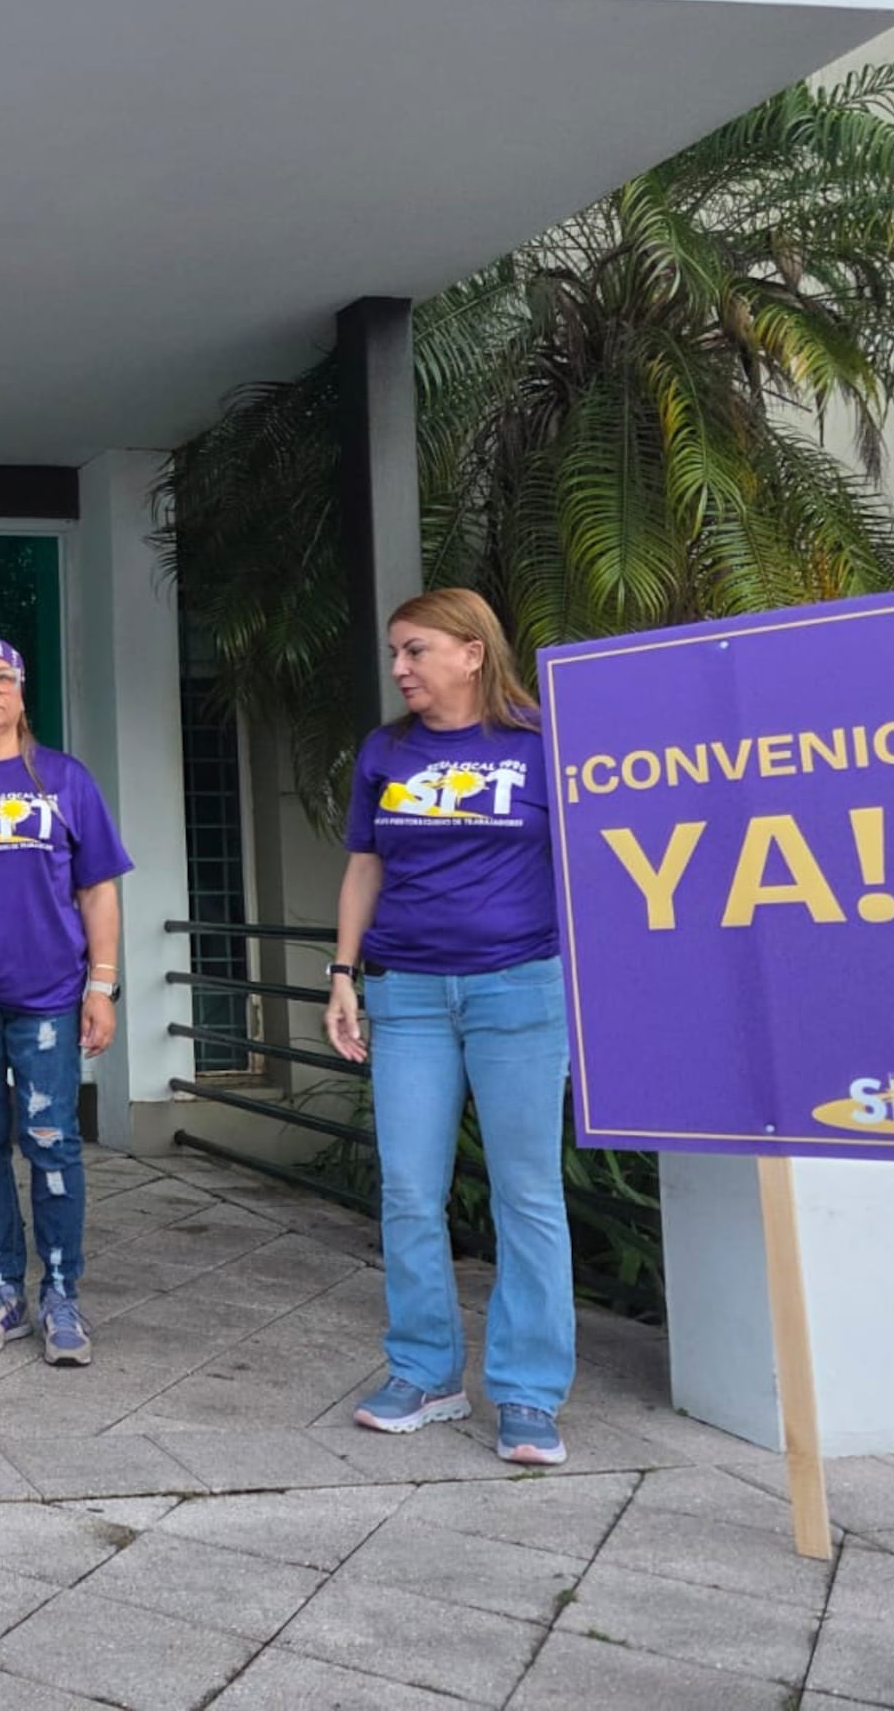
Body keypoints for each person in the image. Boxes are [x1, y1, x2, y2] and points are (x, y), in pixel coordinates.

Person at [325, 587, 572, 1466]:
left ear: (473, 651)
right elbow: (365, 866)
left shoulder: (546, 740)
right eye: (396, 652)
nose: (400, 668)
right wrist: (343, 974)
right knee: (407, 1189)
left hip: (520, 993)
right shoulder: (386, 750)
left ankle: (529, 1393)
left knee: (528, 1194)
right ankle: (427, 1374)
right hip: (411, 996)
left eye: (416, 650)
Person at [0, 639, 129, 1367]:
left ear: (21, 692)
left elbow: (98, 887)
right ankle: (0, 1290)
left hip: (50, 990)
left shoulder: (65, 779)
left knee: (52, 1144)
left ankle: (62, 1295)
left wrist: (101, 985)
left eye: (2, 677)